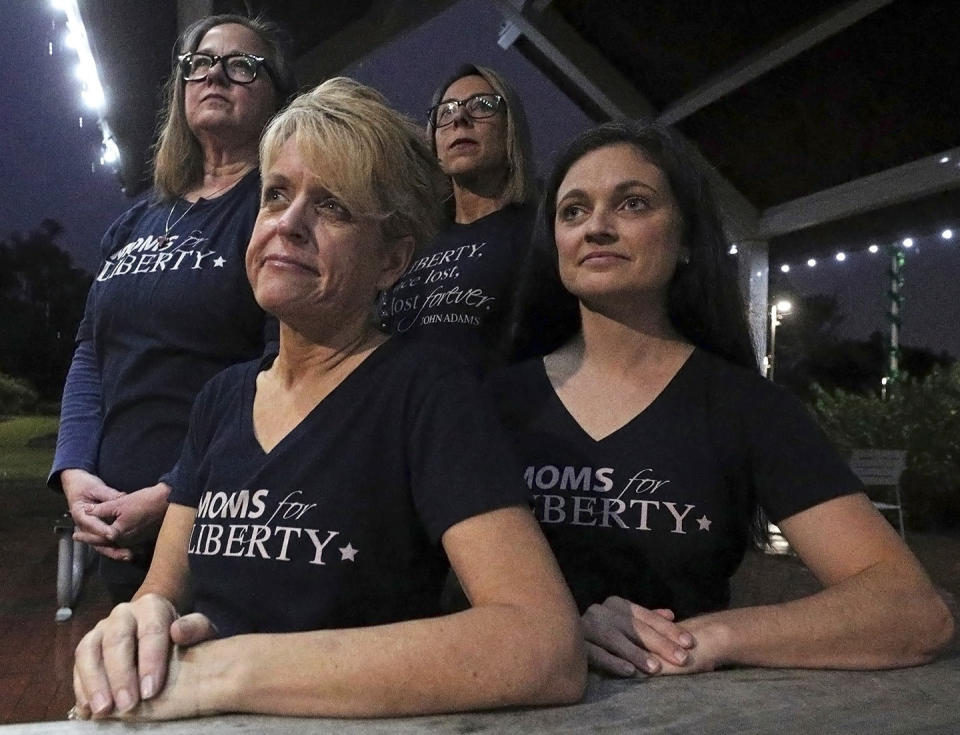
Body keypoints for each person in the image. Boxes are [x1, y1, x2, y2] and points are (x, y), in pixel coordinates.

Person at [70, 78, 585, 721]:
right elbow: (160, 593)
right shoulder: (221, 398)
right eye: (277, 195)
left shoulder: (425, 393)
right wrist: (136, 622)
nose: (289, 224)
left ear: (392, 259)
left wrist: (232, 670)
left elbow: (542, 645)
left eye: (334, 207)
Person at [487, 121, 955, 677]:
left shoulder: (749, 409)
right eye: (573, 211)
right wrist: (560, 631)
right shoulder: (491, 403)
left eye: (632, 203)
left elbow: (912, 611)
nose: (597, 227)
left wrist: (704, 634)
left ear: (686, 239)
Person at [49, 14, 296, 602]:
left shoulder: (275, 213)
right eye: (200, 63)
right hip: (114, 519)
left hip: (220, 516)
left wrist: (170, 492)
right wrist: (75, 471)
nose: (216, 75)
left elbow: (279, 369)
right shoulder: (135, 220)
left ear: (275, 97)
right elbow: (92, 353)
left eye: (241, 65)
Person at [384, 64, 537, 370]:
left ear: (511, 127)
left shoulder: (539, 230)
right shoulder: (411, 240)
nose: (459, 118)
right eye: (445, 112)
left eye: (482, 106)